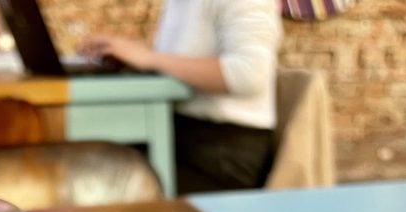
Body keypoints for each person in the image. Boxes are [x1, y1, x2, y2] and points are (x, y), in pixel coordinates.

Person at [81, 0, 282, 192]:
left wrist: (150, 59)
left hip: (222, 155)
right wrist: (133, 59)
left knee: (93, 187)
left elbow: (248, 74)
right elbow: (176, 66)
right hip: (182, 138)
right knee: (85, 167)